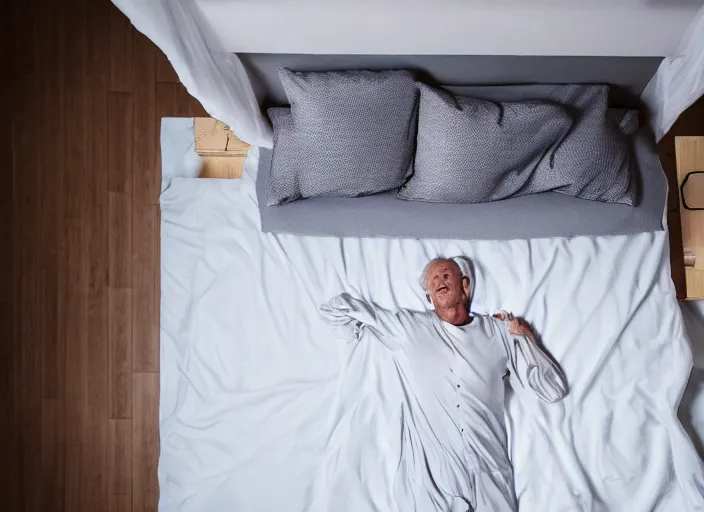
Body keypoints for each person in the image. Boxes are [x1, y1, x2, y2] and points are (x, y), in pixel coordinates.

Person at [320, 256, 568, 512]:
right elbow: (335, 309)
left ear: (465, 286)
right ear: (429, 298)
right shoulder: (409, 327)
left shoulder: (498, 330)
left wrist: (528, 339)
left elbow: (553, 389)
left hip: (489, 469)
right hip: (434, 478)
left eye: (446, 275)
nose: (440, 281)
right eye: (433, 280)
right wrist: (351, 335)